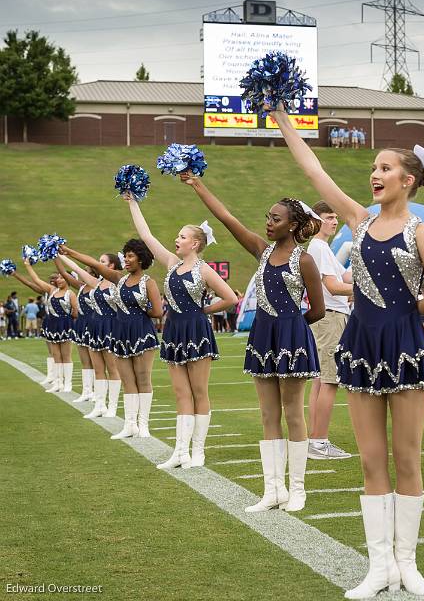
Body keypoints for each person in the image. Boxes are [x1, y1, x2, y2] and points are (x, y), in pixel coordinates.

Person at [271, 103, 424, 597]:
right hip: (361, 346)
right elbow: (313, 167)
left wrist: (394, 302)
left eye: (385, 168)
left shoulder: (422, 232)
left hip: (405, 344)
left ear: (408, 180)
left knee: (406, 457)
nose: (375, 174)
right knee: (371, 460)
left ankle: (408, 563)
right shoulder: (359, 221)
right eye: (374, 168)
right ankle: (379, 568)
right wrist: (281, 117)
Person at [181, 172, 325, 512]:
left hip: (292, 340)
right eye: (267, 217)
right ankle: (272, 489)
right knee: (267, 414)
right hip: (263, 336)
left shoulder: (303, 260)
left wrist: (291, 331)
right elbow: (227, 219)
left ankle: (298, 489)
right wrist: (197, 184)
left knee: (293, 412)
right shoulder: (262, 251)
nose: (268, 223)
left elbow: (317, 310)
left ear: (292, 225)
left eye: (275, 219)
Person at [126, 192, 237, 467]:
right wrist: (132, 203)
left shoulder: (204, 270)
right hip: (174, 329)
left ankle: (197, 451)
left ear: (196, 244)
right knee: (180, 393)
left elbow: (231, 299)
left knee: (199, 391)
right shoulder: (172, 264)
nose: (177, 239)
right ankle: (180, 452)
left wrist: (204, 311)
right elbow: (147, 235)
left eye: (182, 237)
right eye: (178, 236)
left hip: (196, 330)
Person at [61, 240, 162, 439]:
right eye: (125, 255)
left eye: (131, 256)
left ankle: (143, 425)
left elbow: (157, 311)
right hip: (120, 332)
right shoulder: (119, 278)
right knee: (127, 379)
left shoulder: (148, 282)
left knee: (142, 378)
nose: (126, 259)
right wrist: (69, 252)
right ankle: (130, 424)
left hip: (142, 332)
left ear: (141, 259)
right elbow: (96, 265)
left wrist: (140, 309)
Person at [307, 201, 353, 460]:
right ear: (317, 220)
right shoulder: (319, 247)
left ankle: (314, 439)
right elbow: (334, 287)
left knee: (319, 381)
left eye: (336, 217)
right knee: (330, 382)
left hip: (327, 318)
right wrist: (363, 291)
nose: (335, 222)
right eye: (329, 217)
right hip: (331, 319)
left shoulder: (322, 248)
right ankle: (319, 443)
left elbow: (343, 277)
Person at [58, 249, 123, 419]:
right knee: (99, 369)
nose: (97, 263)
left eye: (102, 261)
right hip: (95, 326)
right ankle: (100, 405)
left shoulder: (118, 282)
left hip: (111, 327)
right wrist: (59, 254)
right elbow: (78, 269)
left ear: (112, 265)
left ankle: (112, 407)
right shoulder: (96, 282)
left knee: (112, 368)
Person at [24, 260, 78, 393]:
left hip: (64, 324)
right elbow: (36, 279)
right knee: (56, 355)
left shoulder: (70, 294)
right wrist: (27, 265)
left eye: (62, 277)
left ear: (68, 280)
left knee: (66, 355)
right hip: (52, 324)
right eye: (58, 277)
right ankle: (58, 383)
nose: (58, 280)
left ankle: (68, 383)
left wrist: (68, 321)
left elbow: (76, 312)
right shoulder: (52, 290)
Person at [54, 255, 96, 404]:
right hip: (81, 325)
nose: (83, 273)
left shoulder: (97, 286)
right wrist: (55, 256)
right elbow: (65, 274)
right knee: (85, 361)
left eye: (87, 271)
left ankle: (97, 393)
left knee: (96, 362)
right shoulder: (81, 287)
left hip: (95, 326)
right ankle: (86, 391)